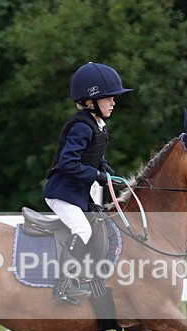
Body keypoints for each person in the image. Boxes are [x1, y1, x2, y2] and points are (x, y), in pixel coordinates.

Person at [44, 62, 133, 303]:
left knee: (102, 222)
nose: (114, 102)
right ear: (91, 100)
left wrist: (102, 165)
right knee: (82, 229)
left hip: (78, 194)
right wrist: (96, 176)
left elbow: (90, 154)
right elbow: (67, 163)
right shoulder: (82, 126)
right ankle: (62, 285)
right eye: (109, 98)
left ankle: (90, 277)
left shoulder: (98, 124)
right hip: (62, 194)